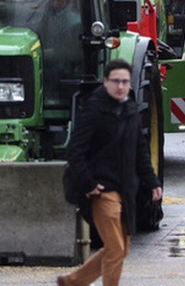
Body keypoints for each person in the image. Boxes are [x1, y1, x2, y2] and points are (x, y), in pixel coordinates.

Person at [57, 58, 162, 286]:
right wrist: (88, 184)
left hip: (125, 189)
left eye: (125, 82)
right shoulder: (94, 110)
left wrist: (152, 182)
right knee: (115, 249)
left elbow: (140, 151)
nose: (121, 86)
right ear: (105, 82)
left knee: (121, 249)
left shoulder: (129, 110)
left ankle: (73, 282)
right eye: (116, 81)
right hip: (102, 192)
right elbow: (75, 150)